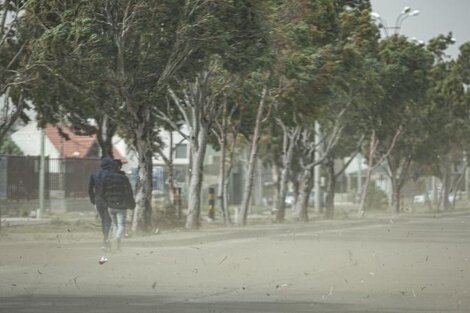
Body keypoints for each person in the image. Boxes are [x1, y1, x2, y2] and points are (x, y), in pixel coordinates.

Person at [102, 163, 135, 251]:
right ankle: (117, 240)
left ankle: (116, 247)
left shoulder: (106, 179)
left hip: (110, 206)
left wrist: (106, 202)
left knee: (115, 225)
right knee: (121, 225)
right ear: (119, 168)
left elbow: (102, 192)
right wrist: (131, 204)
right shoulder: (124, 179)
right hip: (121, 206)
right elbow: (129, 192)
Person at [88, 157, 115, 250]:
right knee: (108, 220)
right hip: (109, 200)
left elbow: (90, 189)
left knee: (104, 220)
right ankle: (106, 240)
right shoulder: (112, 175)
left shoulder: (94, 174)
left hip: (98, 200)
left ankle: (106, 239)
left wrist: (93, 201)